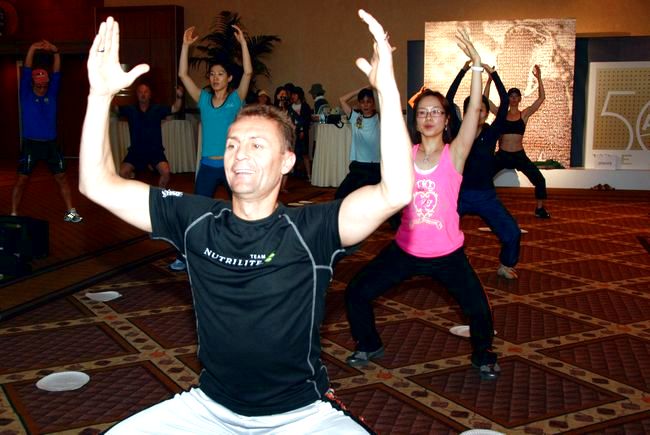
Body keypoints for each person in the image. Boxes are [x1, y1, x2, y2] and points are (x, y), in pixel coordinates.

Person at [80, 10, 412, 433]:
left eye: (257, 145)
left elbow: (396, 191)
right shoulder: (195, 219)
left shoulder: (312, 229)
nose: (240, 154)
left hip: (302, 415)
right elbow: (96, 183)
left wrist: (386, 89)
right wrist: (99, 96)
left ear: (287, 161)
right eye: (233, 144)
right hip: (208, 408)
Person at [345, 30, 501, 380]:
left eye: (436, 112)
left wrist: (477, 68)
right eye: (422, 112)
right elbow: (388, 116)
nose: (429, 117)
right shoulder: (405, 153)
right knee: (356, 291)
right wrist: (382, 79)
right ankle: (368, 343)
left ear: (446, 120)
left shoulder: (455, 154)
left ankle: (483, 355)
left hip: (448, 254)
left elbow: (474, 112)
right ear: (415, 120)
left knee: (479, 311)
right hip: (406, 249)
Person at [168, 22, 252, 272]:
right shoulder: (203, 99)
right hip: (207, 166)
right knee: (196, 212)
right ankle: (185, 255)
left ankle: (245, 252)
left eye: (220, 74)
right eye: (212, 74)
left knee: (242, 210)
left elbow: (248, 73)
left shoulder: (236, 99)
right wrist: (185, 46)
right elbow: (183, 75)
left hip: (230, 166)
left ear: (229, 78)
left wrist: (243, 44)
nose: (215, 78)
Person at [447, 62, 521, 280]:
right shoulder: (459, 130)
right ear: (466, 113)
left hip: (485, 196)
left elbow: (505, 102)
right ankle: (454, 261)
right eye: (473, 109)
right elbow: (448, 99)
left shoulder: (491, 132)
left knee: (512, 232)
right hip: (458, 194)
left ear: (487, 113)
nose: (477, 113)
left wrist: (493, 74)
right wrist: (462, 72)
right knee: (439, 229)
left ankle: (506, 264)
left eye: (482, 110)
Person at [11, 40, 83, 223]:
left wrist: (56, 51)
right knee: (22, 180)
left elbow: (57, 72)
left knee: (62, 178)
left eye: (45, 85)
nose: (42, 89)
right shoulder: (26, 94)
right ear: (33, 84)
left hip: (51, 144)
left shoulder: (51, 93)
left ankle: (70, 212)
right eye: (39, 86)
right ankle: (13, 214)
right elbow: (26, 70)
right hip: (31, 144)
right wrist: (32, 48)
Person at [489, 65, 549, 218]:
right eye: (511, 96)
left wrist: (539, 78)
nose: (514, 98)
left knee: (539, 180)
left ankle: (540, 209)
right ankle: (484, 205)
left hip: (519, 155)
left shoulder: (524, 114)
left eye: (516, 96)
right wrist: (489, 80)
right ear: (508, 99)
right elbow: (485, 100)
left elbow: (541, 99)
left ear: (520, 99)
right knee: (483, 176)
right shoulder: (501, 114)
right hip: (502, 155)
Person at [116, 82, 184, 188]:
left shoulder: (157, 109)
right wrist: (109, 93)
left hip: (155, 151)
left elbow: (175, 108)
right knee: (122, 173)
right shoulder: (130, 109)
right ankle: (132, 191)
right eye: (140, 92)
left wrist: (179, 97)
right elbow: (115, 109)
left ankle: (160, 194)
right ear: (137, 94)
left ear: (150, 95)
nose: (143, 94)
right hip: (136, 151)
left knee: (166, 173)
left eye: (146, 92)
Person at [335, 87, 380, 199]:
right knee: (340, 196)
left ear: (373, 103)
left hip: (375, 167)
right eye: (362, 102)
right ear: (359, 104)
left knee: (368, 198)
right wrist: (360, 90)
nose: (365, 105)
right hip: (358, 166)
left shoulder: (379, 118)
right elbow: (341, 100)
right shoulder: (356, 118)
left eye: (369, 102)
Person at [288, 86, 313, 181]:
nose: (293, 96)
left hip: (303, 134)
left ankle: (309, 175)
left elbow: (307, 120)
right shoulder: (290, 107)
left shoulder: (305, 106)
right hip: (292, 134)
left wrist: (302, 130)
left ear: (299, 95)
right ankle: (292, 173)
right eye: (292, 94)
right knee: (292, 153)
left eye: (295, 94)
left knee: (305, 154)